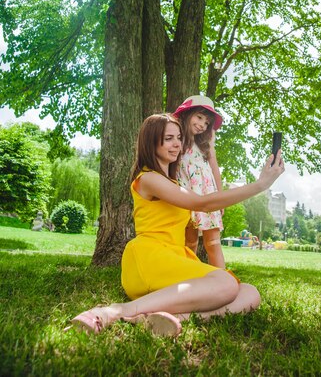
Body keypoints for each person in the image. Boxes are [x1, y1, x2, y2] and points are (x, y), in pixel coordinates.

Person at [70, 113, 284, 337]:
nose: (177, 144)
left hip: (173, 259)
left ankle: (170, 319)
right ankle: (115, 312)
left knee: (250, 293)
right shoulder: (148, 179)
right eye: (168, 138)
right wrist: (260, 185)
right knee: (227, 283)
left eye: (179, 138)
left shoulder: (172, 182)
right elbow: (202, 203)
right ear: (151, 142)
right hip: (150, 259)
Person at [173, 95, 225, 267]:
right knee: (189, 243)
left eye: (207, 122)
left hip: (207, 195)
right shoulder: (175, 141)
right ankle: (189, 278)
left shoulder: (205, 144)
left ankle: (222, 280)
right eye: (199, 117)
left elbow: (214, 168)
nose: (203, 124)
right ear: (188, 114)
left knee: (213, 242)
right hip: (186, 195)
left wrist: (220, 198)